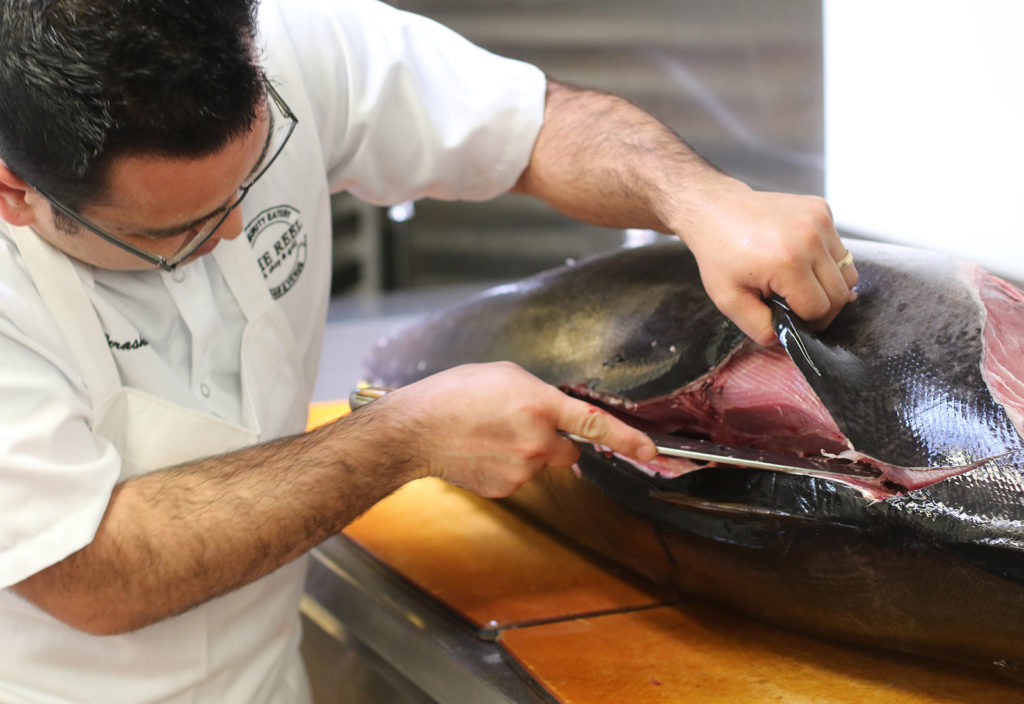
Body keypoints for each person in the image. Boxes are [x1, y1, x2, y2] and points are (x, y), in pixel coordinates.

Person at [0, 0, 858, 702]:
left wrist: (696, 196)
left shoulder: (277, 41)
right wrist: (404, 439)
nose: (231, 230)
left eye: (251, 180)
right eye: (175, 230)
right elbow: (91, 572)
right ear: (15, 190)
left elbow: (532, 126)